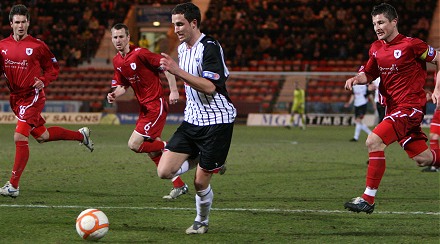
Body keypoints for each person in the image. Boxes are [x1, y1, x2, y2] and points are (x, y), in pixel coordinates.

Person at [343, 3, 440, 214]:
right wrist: (356, 79)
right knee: (423, 158)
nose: (377, 27)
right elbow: (369, 74)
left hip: (410, 108)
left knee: (373, 140)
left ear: (394, 22)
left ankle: (368, 198)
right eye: (374, 23)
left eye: (381, 22)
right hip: (392, 109)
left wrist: (437, 89)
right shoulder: (376, 48)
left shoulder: (412, 45)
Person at [157, 2, 236, 234]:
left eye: (180, 24)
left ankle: (201, 221)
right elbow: (177, 73)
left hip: (217, 121)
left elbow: (210, 87)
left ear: (193, 23)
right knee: (164, 171)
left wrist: (177, 71)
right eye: (173, 25)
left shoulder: (209, 46)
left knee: (200, 182)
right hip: (192, 120)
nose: (176, 30)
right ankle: (212, 160)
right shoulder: (182, 49)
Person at [0, 4, 94, 198]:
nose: (20, 26)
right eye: (16, 22)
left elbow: (53, 68)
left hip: (32, 95)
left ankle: (13, 186)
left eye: (23, 22)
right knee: (42, 136)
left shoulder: (37, 46)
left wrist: (43, 81)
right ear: (10, 24)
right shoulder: (2, 46)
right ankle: (80, 135)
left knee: (19, 136)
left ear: (28, 23)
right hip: (16, 98)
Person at [108, 23, 189, 199]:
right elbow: (123, 86)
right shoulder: (117, 61)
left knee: (134, 144)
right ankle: (179, 185)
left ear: (129, 37)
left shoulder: (141, 54)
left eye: (122, 36)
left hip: (155, 105)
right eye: (115, 37)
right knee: (152, 150)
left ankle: (172, 147)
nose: (118, 40)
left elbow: (166, 67)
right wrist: (115, 94)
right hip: (145, 109)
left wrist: (174, 90)